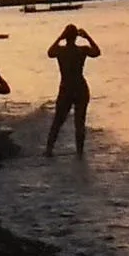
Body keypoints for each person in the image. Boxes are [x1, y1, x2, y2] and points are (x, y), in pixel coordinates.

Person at [45, 24, 101, 157]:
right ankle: (79, 153)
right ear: (76, 37)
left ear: (65, 37)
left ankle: (49, 150)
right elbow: (97, 52)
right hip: (80, 87)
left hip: (66, 88)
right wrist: (87, 37)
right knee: (79, 122)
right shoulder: (82, 50)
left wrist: (60, 37)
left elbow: (50, 52)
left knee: (58, 121)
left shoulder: (60, 51)